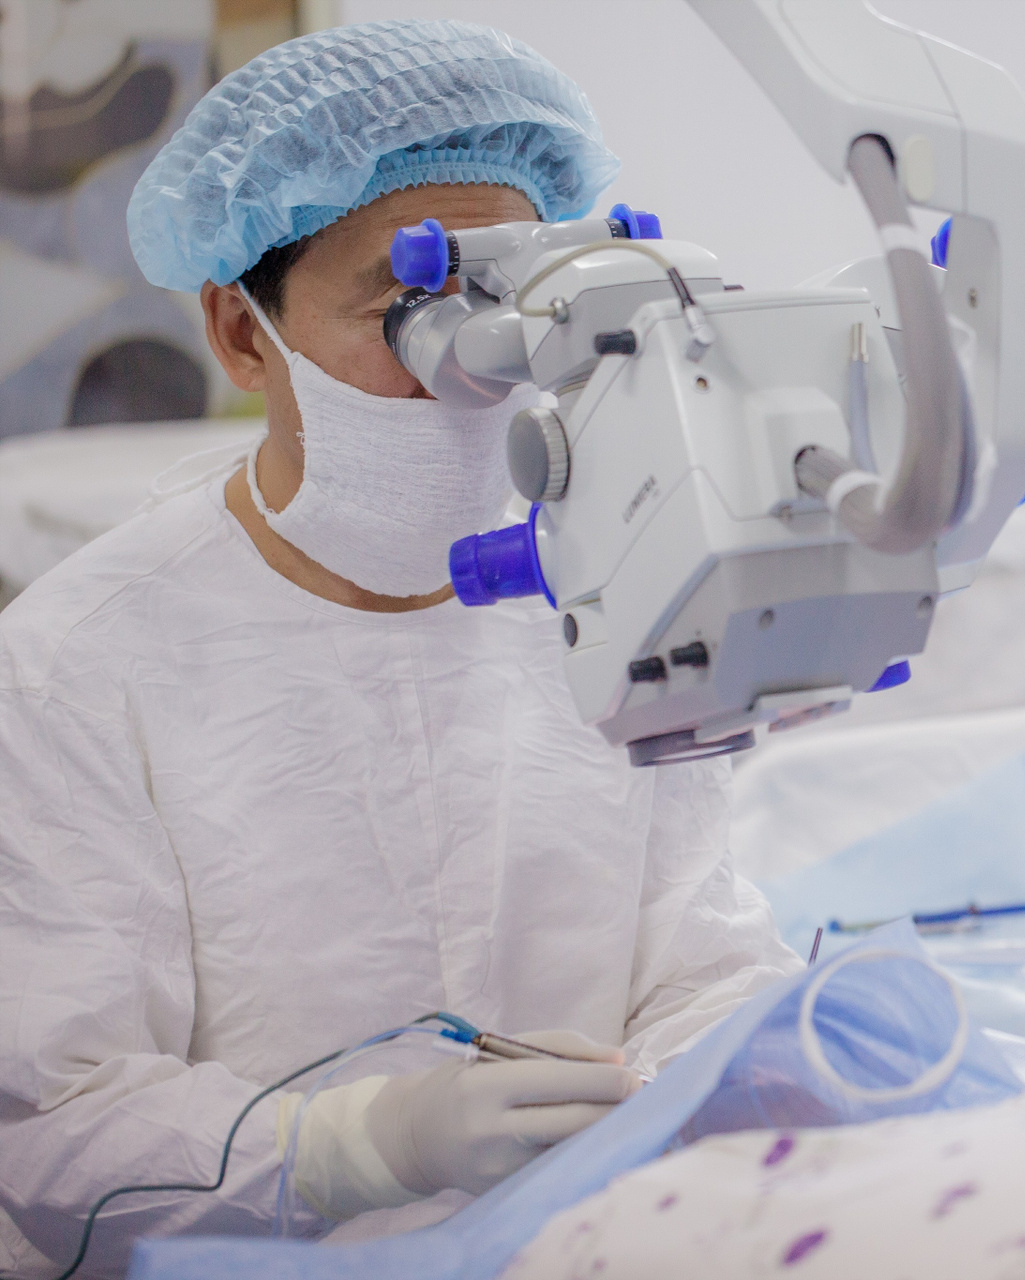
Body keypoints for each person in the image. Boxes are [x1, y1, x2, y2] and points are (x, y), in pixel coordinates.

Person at [0, 19, 800, 1274]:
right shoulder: (78, 665)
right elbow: (53, 1129)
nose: (472, 373)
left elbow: (703, 960)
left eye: (508, 305)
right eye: (409, 309)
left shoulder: (616, 588)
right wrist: (350, 1148)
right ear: (241, 332)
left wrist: (691, 1078)